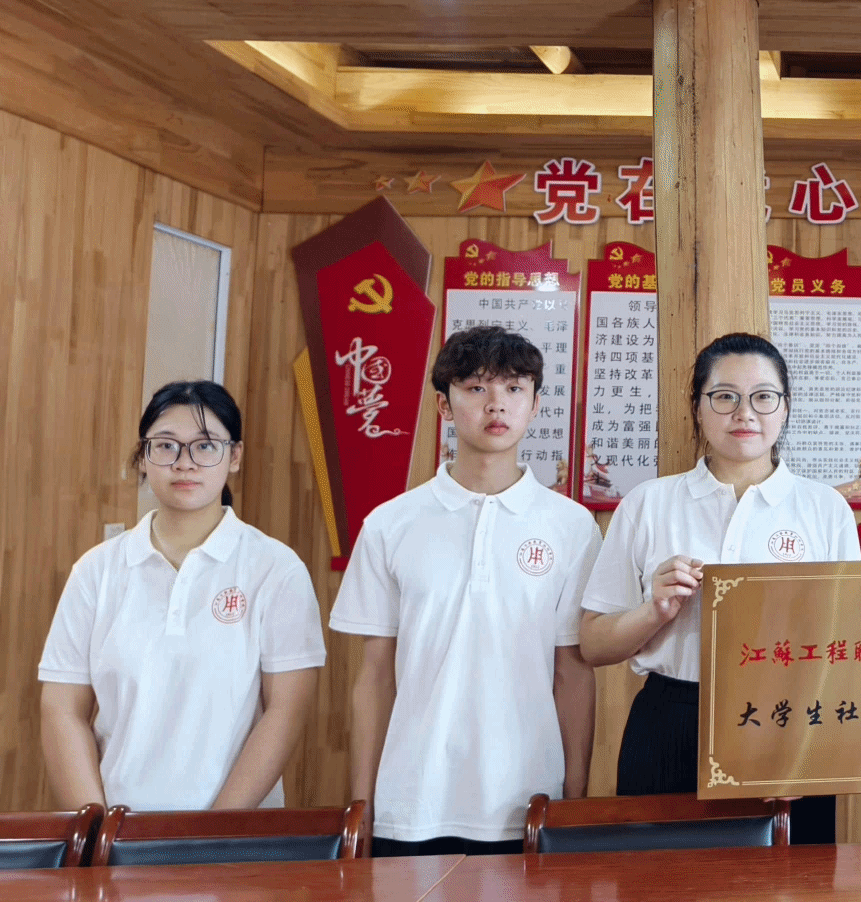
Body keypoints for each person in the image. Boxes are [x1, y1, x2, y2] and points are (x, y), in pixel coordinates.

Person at [331, 326, 601, 856]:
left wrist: (575, 800)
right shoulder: (390, 523)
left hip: (527, 803)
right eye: (477, 388)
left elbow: (572, 673)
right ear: (444, 405)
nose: (496, 404)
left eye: (514, 388)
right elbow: (375, 677)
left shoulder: (572, 527)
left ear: (535, 405)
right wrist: (362, 807)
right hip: (410, 804)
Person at [581, 333, 858, 843]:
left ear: (784, 408)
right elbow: (594, 646)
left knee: (792, 879)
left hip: (792, 721)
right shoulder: (649, 503)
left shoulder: (824, 509)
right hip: (671, 722)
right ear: (698, 406)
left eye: (763, 397)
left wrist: (809, 745)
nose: (744, 413)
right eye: (725, 396)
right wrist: (654, 610)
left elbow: (849, 650)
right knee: (661, 877)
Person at [40, 381, 324, 810]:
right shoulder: (96, 571)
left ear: (235, 456)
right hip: (119, 827)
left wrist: (213, 833)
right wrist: (96, 828)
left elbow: (286, 711)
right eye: (166, 445)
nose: (184, 462)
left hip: (234, 834)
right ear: (143, 456)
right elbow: (62, 710)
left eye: (205, 446)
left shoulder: (275, 569)